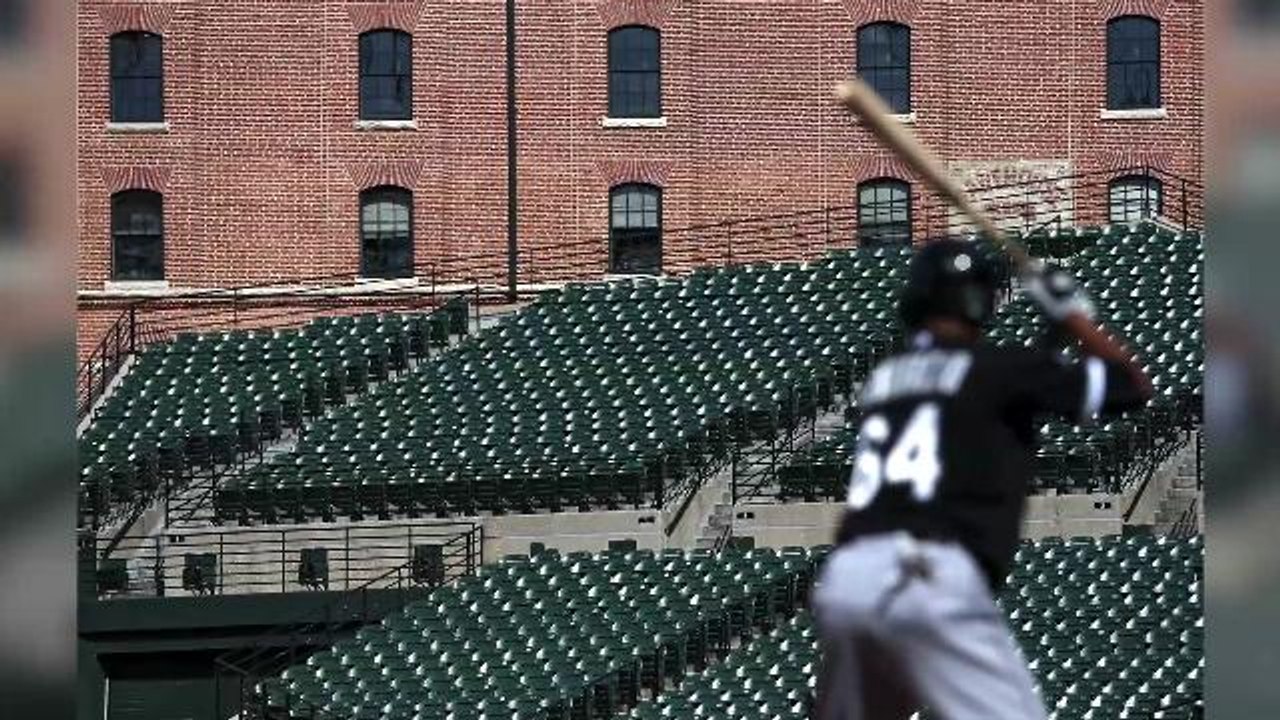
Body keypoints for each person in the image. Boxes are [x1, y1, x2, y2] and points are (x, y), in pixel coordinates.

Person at [811, 239, 1153, 719]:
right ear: (982, 303)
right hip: (928, 575)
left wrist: (1048, 341)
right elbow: (1130, 387)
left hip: (849, 578)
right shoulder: (1002, 369)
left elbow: (985, 398)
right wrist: (1073, 317)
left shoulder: (886, 379)